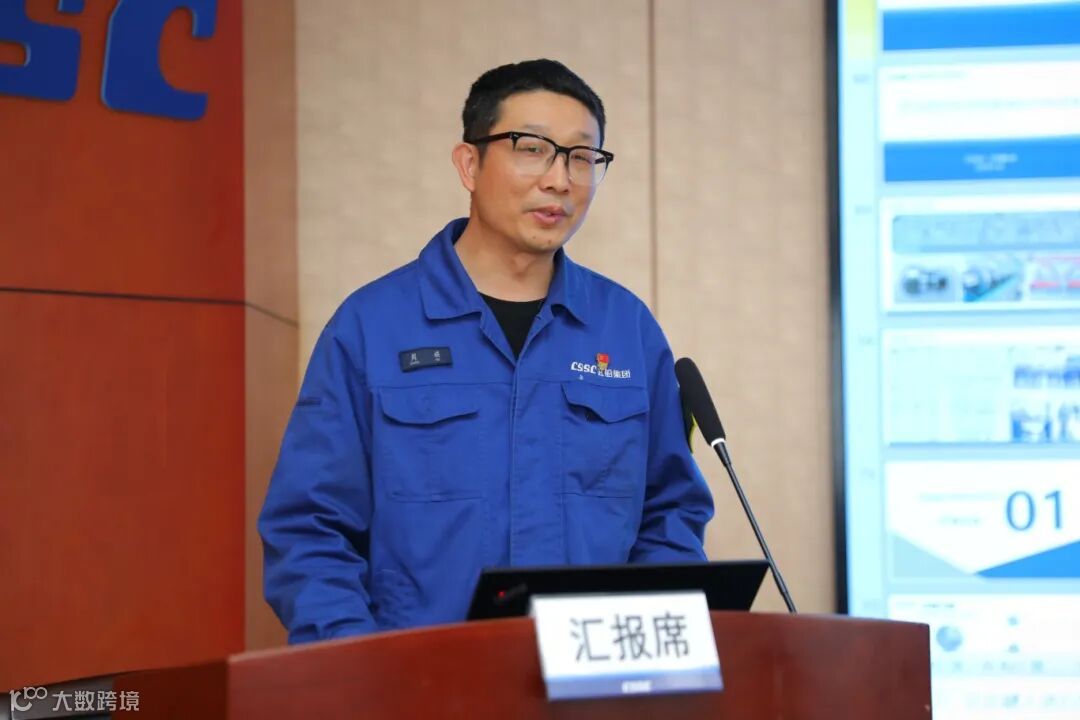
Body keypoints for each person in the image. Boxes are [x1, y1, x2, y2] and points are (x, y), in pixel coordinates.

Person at [258, 59, 714, 643]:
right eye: (533, 149)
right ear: (469, 164)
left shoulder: (626, 331)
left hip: (588, 680)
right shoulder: (372, 327)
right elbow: (310, 529)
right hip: (419, 679)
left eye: (581, 157)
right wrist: (362, 670)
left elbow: (670, 515)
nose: (560, 180)